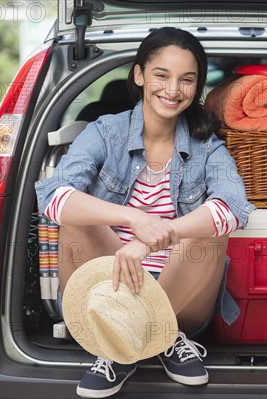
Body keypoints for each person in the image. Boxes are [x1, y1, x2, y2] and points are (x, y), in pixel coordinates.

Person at [35, 27, 255, 398]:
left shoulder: (207, 146)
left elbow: (234, 208)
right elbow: (53, 198)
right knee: (73, 213)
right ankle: (125, 332)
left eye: (187, 80)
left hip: (181, 294)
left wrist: (156, 238)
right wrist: (135, 221)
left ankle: (144, 338)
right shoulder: (105, 132)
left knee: (214, 226)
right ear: (139, 75)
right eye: (161, 75)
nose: (173, 90)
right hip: (106, 282)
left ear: (196, 87)